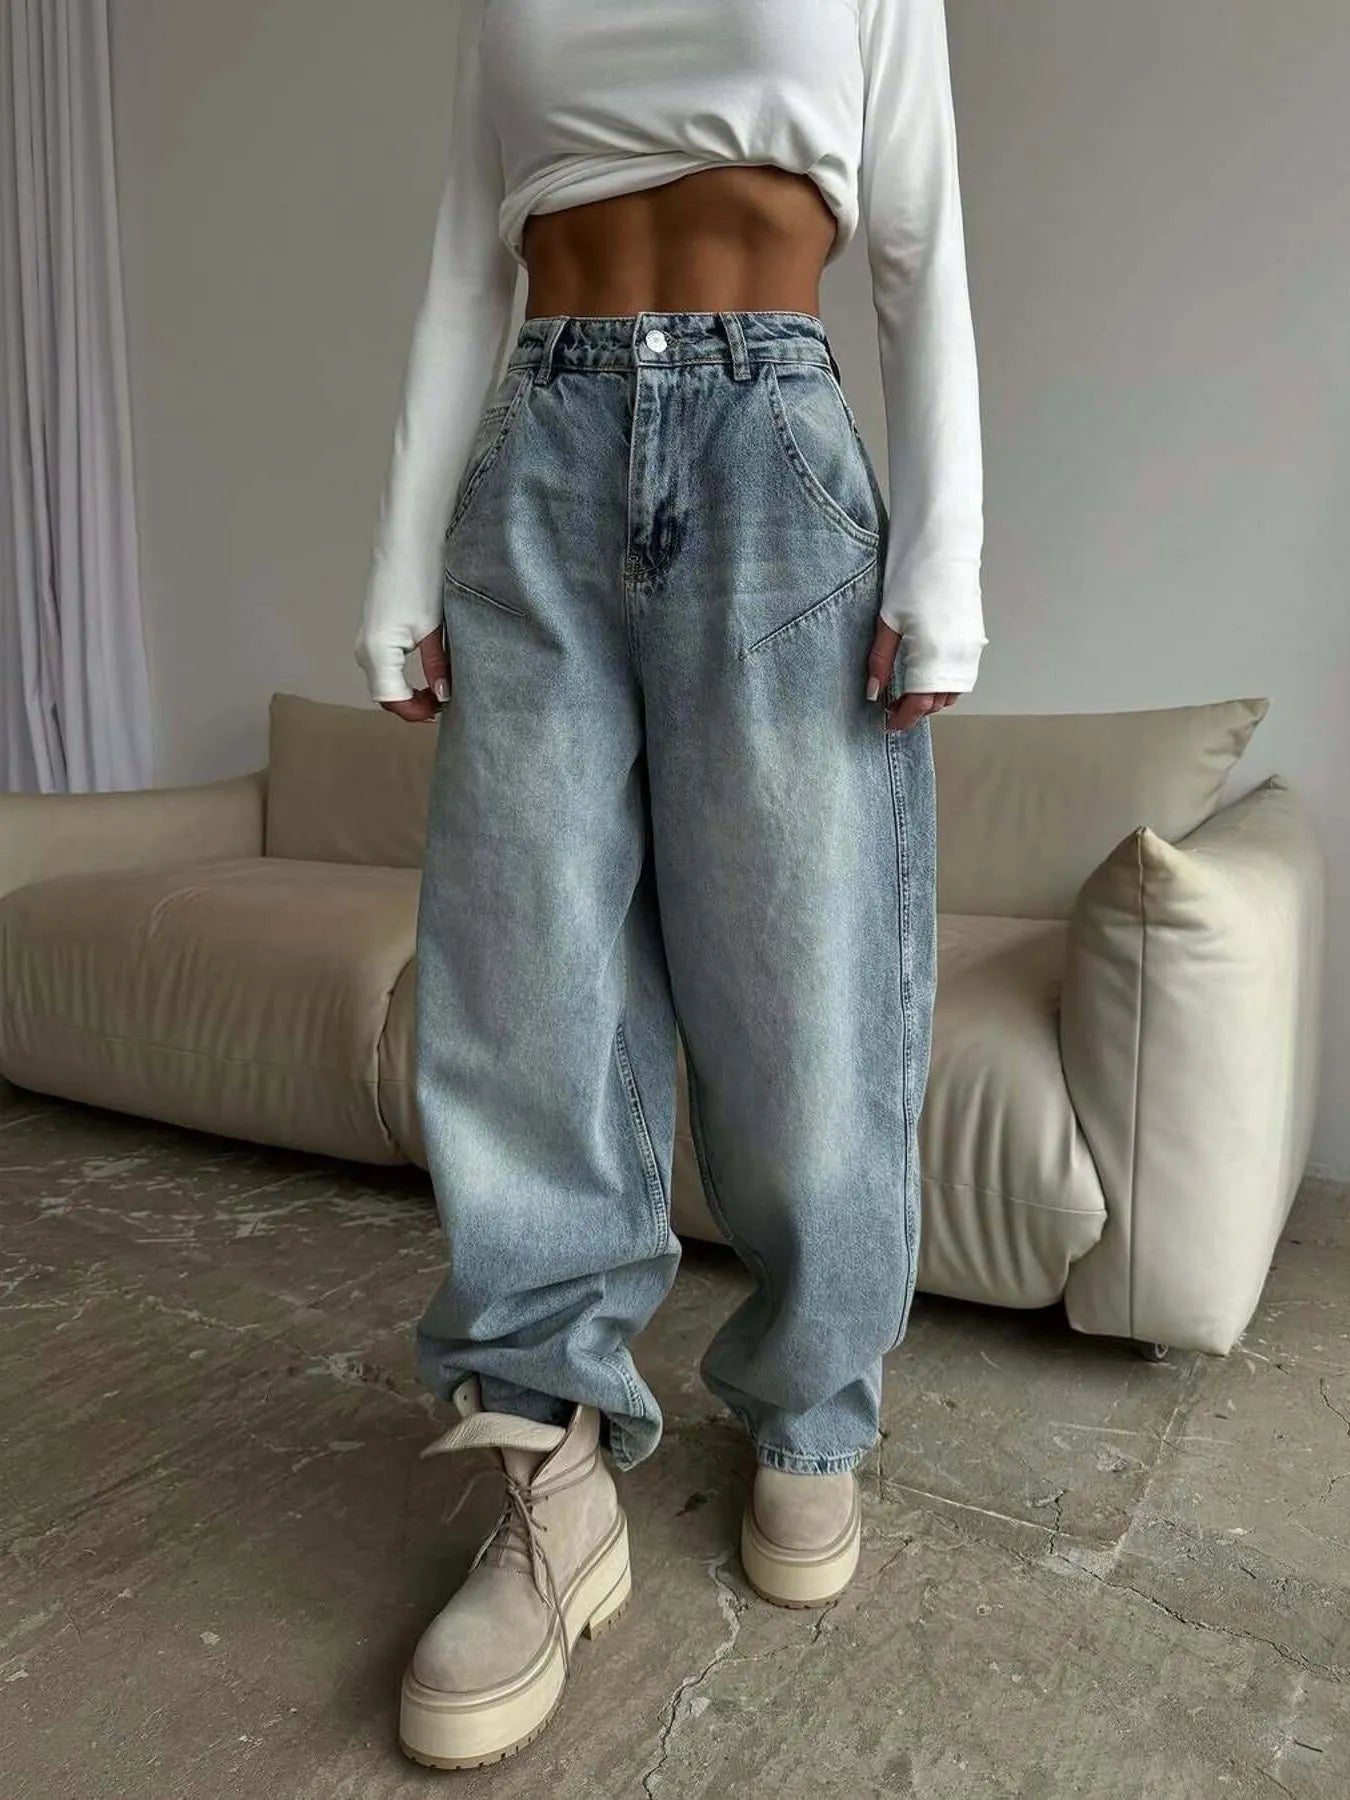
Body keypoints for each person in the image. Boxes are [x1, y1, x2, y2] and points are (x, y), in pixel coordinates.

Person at [354, 0, 986, 1770]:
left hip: (772, 452)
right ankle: (547, 1476)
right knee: (524, 989)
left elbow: (917, 250)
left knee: (802, 988)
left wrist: (945, 568)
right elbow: (461, 271)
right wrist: (401, 559)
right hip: (535, 463)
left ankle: (808, 1408)